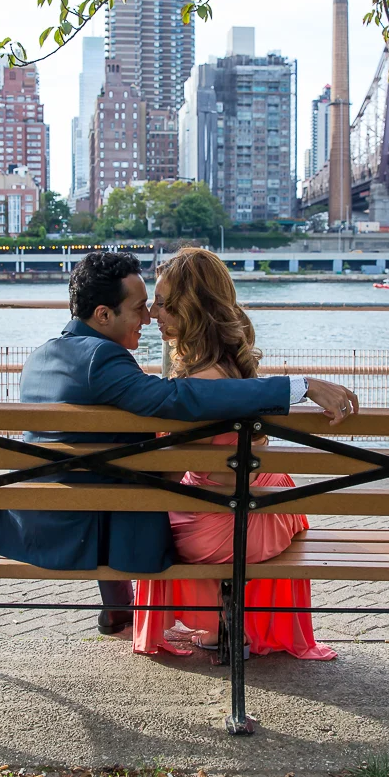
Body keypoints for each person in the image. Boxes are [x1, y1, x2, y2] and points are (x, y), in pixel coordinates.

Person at [0, 251, 360, 634]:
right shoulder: (103, 359)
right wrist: (298, 386)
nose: (147, 317)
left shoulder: (41, 356)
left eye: (156, 305)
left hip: (35, 519)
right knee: (154, 490)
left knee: (120, 476)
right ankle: (181, 615)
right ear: (104, 315)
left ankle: (119, 607)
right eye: (139, 308)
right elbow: (177, 398)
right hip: (89, 523)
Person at [134, 248, 337, 660]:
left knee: (150, 520)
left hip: (220, 534)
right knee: (260, 485)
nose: (153, 313)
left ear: (193, 309)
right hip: (264, 518)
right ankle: (232, 626)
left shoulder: (198, 383)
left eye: (163, 303)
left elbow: (169, 474)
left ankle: (217, 628)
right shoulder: (231, 366)